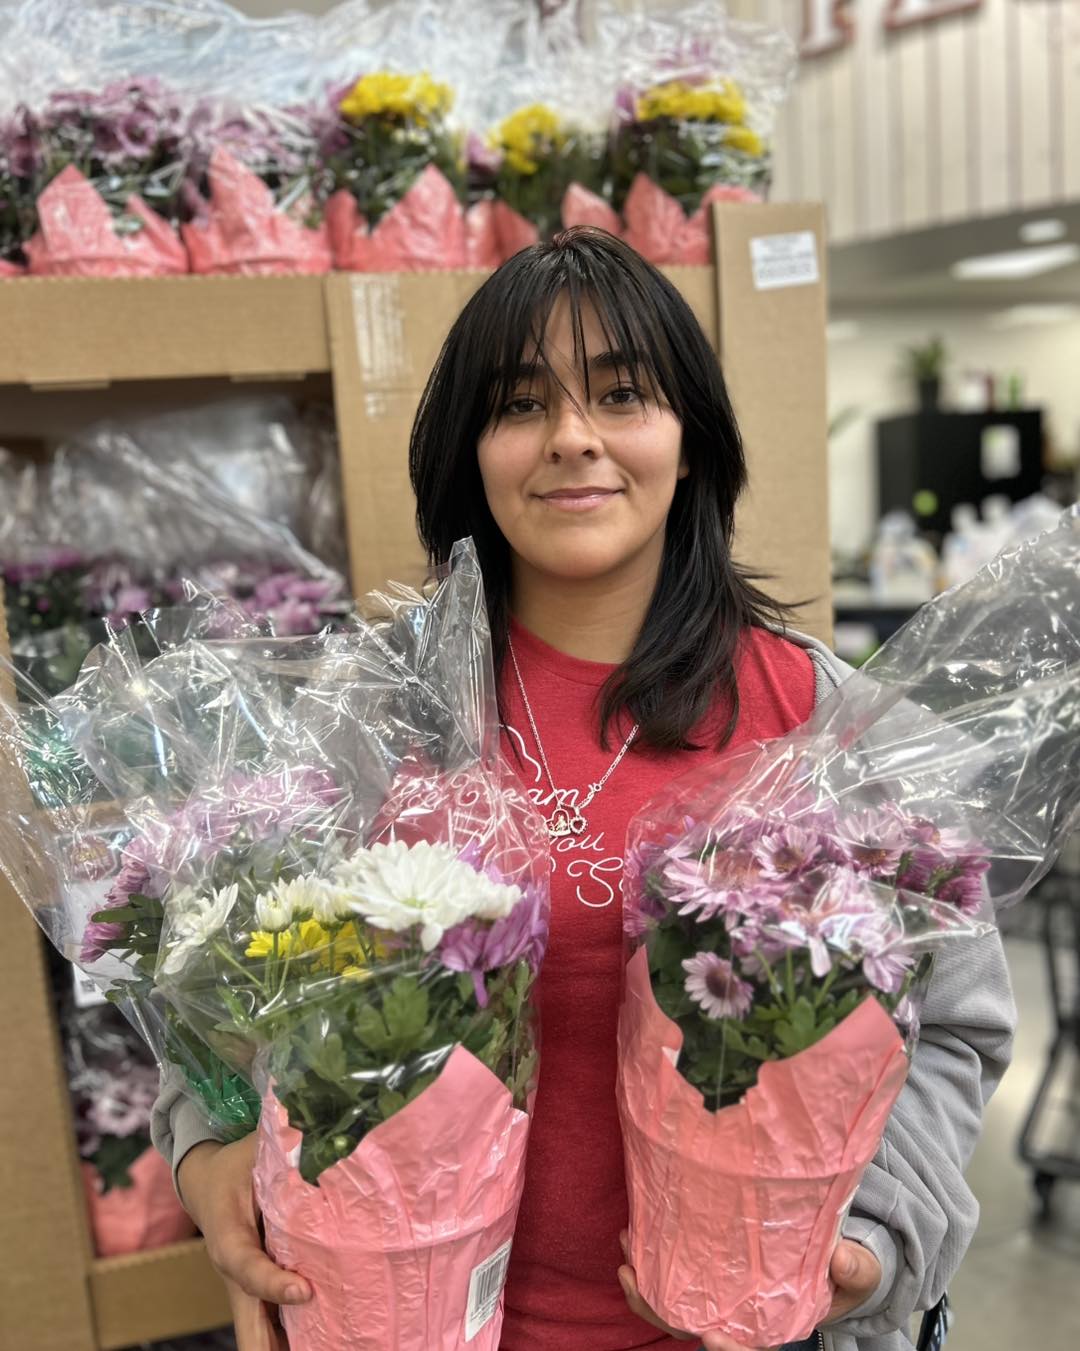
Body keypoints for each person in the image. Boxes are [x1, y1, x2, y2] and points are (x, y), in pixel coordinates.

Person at [153, 228, 1016, 1351]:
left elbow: (952, 1029)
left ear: (690, 439)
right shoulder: (369, 718)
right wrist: (208, 1151)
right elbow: (225, 997)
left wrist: (875, 1236)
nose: (572, 437)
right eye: (521, 404)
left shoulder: (825, 723)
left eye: (620, 395)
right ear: (469, 450)